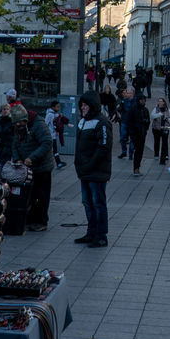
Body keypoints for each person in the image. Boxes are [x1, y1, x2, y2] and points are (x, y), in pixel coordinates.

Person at [74, 91, 113, 246]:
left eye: (85, 105)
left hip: (96, 171)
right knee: (87, 202)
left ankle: (101, 235)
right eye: (81, 105)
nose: (83, 108)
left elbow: (104, 147)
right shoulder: (83, 121)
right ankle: (91, 232)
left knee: (98, 203)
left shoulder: (102, 122)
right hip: (85, 170)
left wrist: (90, 165)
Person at [12, 105, 54, 232]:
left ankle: (41, 221)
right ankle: (30, 219)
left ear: (26, 119)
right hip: (27, 167)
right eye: (16, 122)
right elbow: (14, 143)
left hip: (42, 167)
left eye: (21, 122)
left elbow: (47, 142)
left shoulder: (38, 125)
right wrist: (17, 158)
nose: (19, 124)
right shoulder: (18, 127)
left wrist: (32, 158)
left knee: (41, 195)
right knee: (30, 194)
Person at [125, 94, 150, 175]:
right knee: (138, 150)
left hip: (142, 133)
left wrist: (145, 128)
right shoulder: (133, 109)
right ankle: (136, 168)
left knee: (140, 151)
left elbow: (148, 120)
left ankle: (137, 167)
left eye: (144, 100)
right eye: (141, 100)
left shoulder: (145, 110)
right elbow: (129, 121)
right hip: (135, 133)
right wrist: (131, 131)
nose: (143, 101)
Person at [45, 100, 67, 168]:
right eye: (57, 107)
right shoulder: (49, 115)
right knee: (53, 150)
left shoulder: (56, 114)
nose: (59, 108)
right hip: (50, 135)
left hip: (54, 135)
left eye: (59, 107)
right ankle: (58, 162)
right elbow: (45, 124)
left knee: (54, 150)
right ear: (53, 107)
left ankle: (58, 162)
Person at [117, 87, 136, 159]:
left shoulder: (136, 101)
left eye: (128, 93)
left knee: (132, 139)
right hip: (124, 121)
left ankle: (131, 153)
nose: (127, 94)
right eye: (127, 93)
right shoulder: (124, 100)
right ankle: (124, 152)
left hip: (132, 123)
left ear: (133, 93)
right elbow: (119, 109)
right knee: (122, 138)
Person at [151, 98, 170, 162]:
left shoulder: (168, 110)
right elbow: (152, 116)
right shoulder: (155, 109)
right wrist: (159, 114)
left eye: (161, 101)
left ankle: (166, 155)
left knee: (165, 142)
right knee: (156, 142)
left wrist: (167, 119)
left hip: (165, 128)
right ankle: (156, 155)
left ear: (164, 102)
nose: (159, 102)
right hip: (156, 128)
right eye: (158, 101)